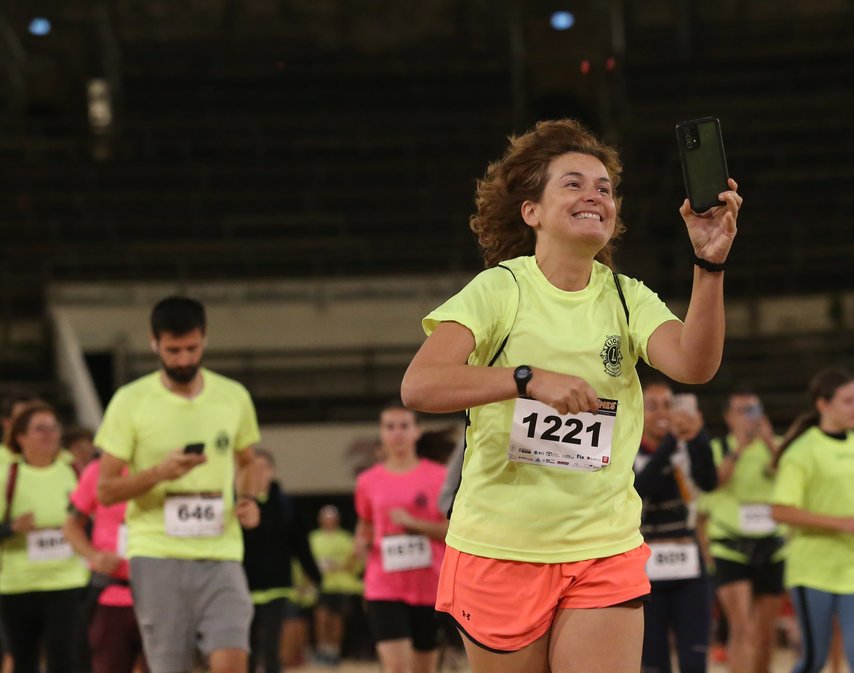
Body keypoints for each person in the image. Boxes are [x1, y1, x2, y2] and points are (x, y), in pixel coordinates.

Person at [401, 118, 740, 673]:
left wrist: (709, 264)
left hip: (602, 545)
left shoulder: (628, 298)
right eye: (573, 183)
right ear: (531, 211)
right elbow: (420, 385)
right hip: (500, 548)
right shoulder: (500, 290)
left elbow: (695, 365)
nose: (594, 196)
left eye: (604, 188)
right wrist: (525, 378)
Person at [94, 296, 263, 673]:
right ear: (154, 343)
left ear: (204, 339)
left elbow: (249, 462)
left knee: (233, 658)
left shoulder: (233, 396)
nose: (184, 359)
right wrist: (158, 473)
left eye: (192, 348)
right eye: (173, 350)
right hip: (157, 554)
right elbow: (105, 490)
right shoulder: (129, 401)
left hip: (222, 552)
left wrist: (249, 497)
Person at [770, 368, 854, 673]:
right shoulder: (802, 452)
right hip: (813, 571)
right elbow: (781, 511)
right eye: (848, 401)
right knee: (813, 661)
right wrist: (838, 523)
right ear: (823, 404)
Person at [354, 402, 447, 673]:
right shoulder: (367, 481)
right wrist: (361, 541)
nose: (397, 434)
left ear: (417, 432)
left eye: (404, 426)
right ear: (381, 434)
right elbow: (366, 524)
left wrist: (414, 524)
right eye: (390, 427)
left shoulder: (438, 476)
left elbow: (453, 531)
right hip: (383, 585)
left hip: (429, 585)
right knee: (397, 669)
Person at [633, 379, 717, 673]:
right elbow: (642, 487)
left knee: (695, 661)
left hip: (689, 566)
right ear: (639, 412)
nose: (662, 413)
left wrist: (698, 437)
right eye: (652, 407)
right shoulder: (629, 452)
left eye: (669, 405)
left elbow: (709, 481)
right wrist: (671, 441)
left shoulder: (685, 447)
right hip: (646, 569)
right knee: (655, 664)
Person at [0, 402, 90, 673]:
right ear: (20, 436)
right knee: (24, 659)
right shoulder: (8, 473)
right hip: (19, 582)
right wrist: (12, 527)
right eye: (40, 429)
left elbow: (93, 515)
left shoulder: (72, 470)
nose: (50, 434)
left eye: (54, 427)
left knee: (63, 656)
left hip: (67, 579)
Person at [700, 388, 784, 673]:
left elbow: (789, 477)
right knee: (742, 628)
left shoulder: (774, 446)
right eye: (743, 411)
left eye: (755, 409)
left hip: (771, 543)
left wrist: (771, 443)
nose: (751, 417)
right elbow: (715, 482)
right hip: (729, 543)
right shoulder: (718, 448)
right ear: (728, 417)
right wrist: (739, 448)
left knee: (765, 633)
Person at [63, 440, 144, 673]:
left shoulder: (167, 468)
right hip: (112, 595)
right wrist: (94, 556)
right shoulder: (96, 471)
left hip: (162, 594)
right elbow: (71, 526)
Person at [242, 449, 322, 673]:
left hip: (277, 586)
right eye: (253, 468)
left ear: (272, 471)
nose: (259, 474)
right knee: (246, 647)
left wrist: (315, 575)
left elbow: (300, 544)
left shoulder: (286, 505)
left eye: (263, 468)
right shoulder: (237, 503)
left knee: (271, 648)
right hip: (243, 587)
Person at [309, 505, 362, 665]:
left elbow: (355, 563)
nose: (329, 522)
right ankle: (322, 650)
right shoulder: (313, 538)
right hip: (322, 585)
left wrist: (338, 567)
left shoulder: (346, 538)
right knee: (321, 618)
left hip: (341, 586)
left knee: (337, 621)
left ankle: (334, 651)